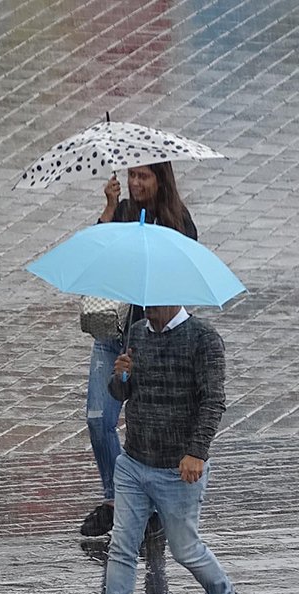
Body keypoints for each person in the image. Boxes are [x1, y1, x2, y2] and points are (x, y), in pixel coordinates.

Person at [74, 304, 247, 594]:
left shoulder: (203, 339)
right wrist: (120, 378)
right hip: (134, 463)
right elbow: (123, 394)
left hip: (178, 470)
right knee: (122, 547)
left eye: (152, 301)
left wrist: (196, 452)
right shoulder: (136, 334)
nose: (146, 308)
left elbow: (213, 401)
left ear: (174, 297)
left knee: (186, 550)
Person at [79, 162, 199, 537]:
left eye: (143, 176)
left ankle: (151, 506)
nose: (134, 182)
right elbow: (96, 253)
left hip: (152, 335)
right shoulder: (124, 212)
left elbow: (183, 273)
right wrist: (110, 206)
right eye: (131, 176)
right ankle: (116, 499)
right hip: (112, 333)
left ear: (160, 180)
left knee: (148, 423)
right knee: (99, 418)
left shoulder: (178, 220)